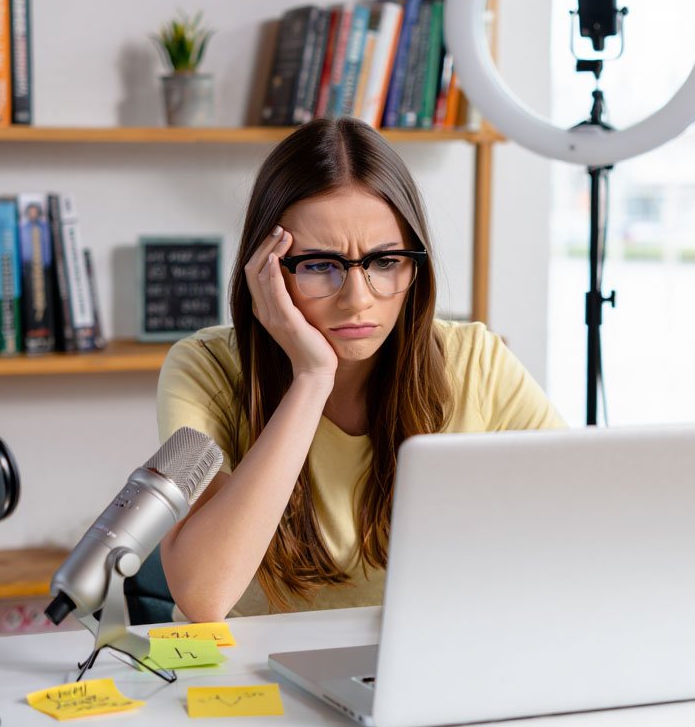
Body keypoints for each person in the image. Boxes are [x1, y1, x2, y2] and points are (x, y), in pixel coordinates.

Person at [157, 118, 564, 621]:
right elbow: (202, 595)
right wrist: (311, 379)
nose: (357, 300)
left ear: (417, 268)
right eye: (320, 265)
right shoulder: (205, 368)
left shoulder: (476, 361)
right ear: (265, 270)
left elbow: (583, 530)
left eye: (386, 261)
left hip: (420, 667)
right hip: (246, 675)